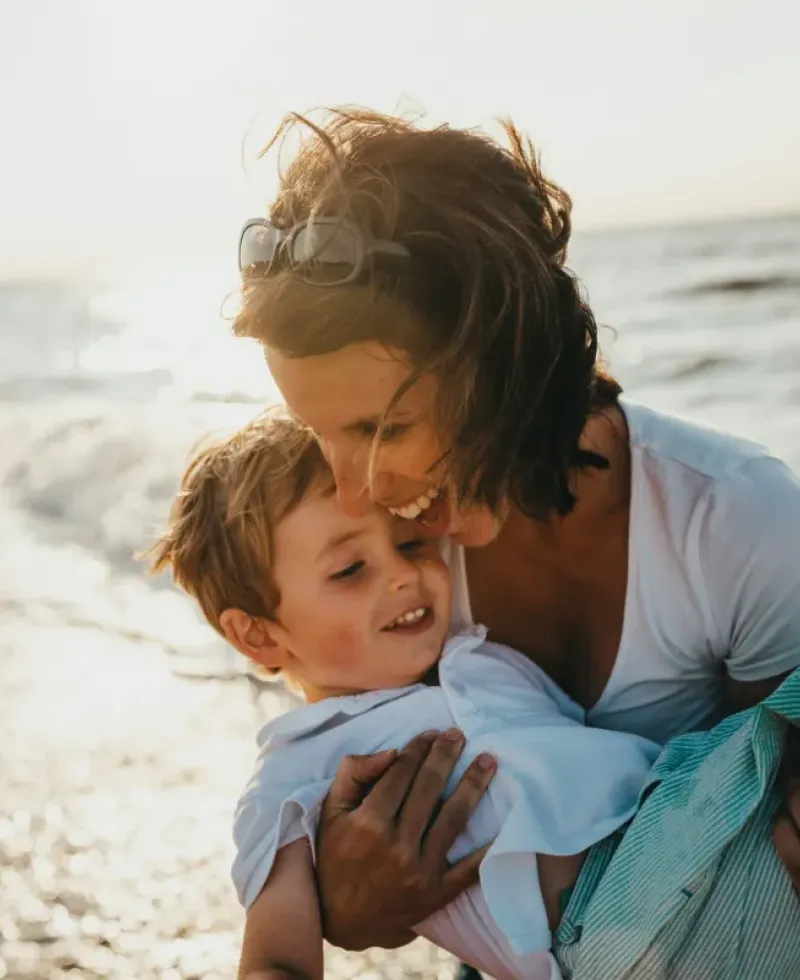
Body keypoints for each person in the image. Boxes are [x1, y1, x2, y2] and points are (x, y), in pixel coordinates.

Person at [229, 108, 800, 956]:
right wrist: (347, 905)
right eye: (319, 433)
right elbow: (348, 782)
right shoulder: (393, 565)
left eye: (383, 429)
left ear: (509, 364)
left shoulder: (735, 522)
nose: (356, 488)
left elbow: (763, 821)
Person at [149, 412, 799, 980]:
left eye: (408, 542)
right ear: (257, 634)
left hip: (697, 831)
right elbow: (277, 960)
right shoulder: (296, 771)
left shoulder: (481, 654)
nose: (404, 574)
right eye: (350, 569)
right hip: (613, 926)